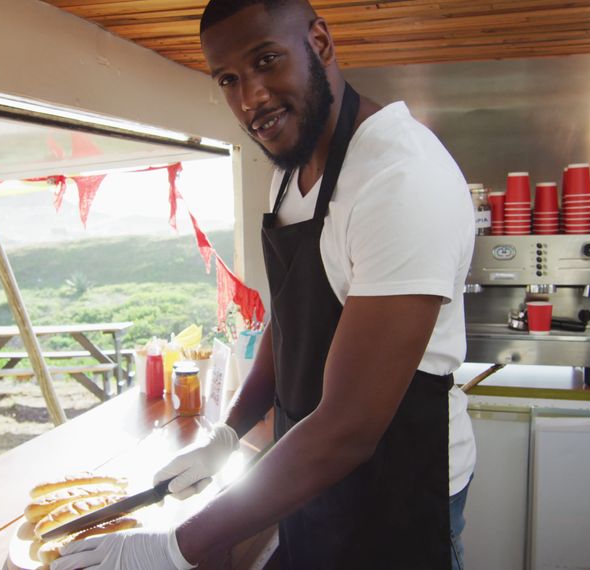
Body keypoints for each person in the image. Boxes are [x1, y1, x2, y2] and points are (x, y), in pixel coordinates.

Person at [51, 1, 475, 568]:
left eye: (267, 60)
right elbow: (293, 324)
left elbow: (350, 427)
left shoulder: (398, 180)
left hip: (400, 482)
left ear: (319, 43)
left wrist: (176, 549)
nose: (250, 98)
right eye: (228, 79)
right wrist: (228, 435)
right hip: (309, 473)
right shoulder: (289, 173)